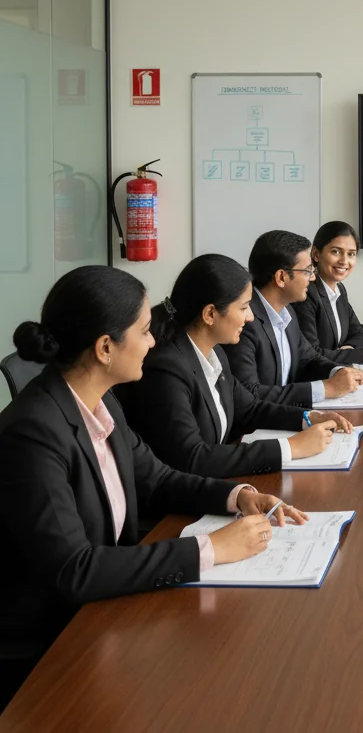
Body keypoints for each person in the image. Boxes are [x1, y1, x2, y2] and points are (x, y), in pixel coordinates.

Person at [0, 266, 306, 709]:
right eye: (144, 331)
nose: (153, 342)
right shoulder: (33, 432)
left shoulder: (100, 400)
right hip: (55, 644)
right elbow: (75, 570)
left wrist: (237, 496)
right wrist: (212, 549)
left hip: (109, 608)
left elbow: (157, 478)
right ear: (105, 347)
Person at [117, 254, 353, 480]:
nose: (250, 317)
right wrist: (290, 447)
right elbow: (192, 457)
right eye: (244, 307)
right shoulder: (166, 371)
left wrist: (308, 417)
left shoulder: (215, 352)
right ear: (210, 314)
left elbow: (249, 409)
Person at [224, 230, 363, 409]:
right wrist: (324, 389)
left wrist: (338, 371)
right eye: (308, 271)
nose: (313, 277)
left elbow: (309, 359)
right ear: (281, 277)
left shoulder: (287, 311)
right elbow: (250, 393)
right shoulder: (245, 321)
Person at [292, 221, 363, 365]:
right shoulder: (306, 293)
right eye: (336, 252)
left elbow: (359, 333)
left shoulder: (339, 290)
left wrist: (349, 350)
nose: (344, 261)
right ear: (316, 254)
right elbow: (311, 354)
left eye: (351, 254)